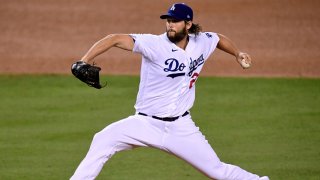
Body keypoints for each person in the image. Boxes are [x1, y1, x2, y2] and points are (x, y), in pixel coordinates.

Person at [70, 3, 269, 180]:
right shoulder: (154, 44)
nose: (170, 25)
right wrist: (84, 60)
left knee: (217, 171)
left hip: (181, 127)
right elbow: (114, 39)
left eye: (175, 21)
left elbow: (217, 39)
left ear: (188, 24)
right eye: (168, 21)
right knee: (103, 139)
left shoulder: (201, 42)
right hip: (145, 123)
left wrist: (237, 53)